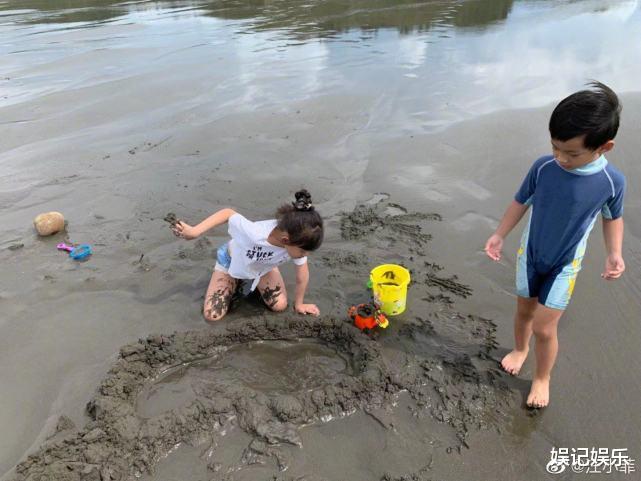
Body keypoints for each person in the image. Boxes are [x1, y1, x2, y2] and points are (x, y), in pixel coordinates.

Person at [484, 81, 626, 408]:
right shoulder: (543, 167)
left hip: (565, 263)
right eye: (555, 147)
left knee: (545, 327)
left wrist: (614, 253)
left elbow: (612, 218)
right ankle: (520, 350)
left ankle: (541, 378)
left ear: (604, 147)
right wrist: (499, 233)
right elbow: (520, 201)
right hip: (530, 255)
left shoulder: (610, 182)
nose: (560, 157)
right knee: (524, 311)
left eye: (571, 153)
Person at [171, 189, 323, 321]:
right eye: (303, 251)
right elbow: (227, 213)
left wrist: (299, 304)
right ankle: (232, 279)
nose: (305, 255)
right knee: (213, 314)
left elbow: (302, 275)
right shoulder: (255, 234)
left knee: (280, 305)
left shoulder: (297, 241)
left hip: (263, 267)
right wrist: (194, 231)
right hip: (231, 262)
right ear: (285, 240)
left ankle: (258, 278)